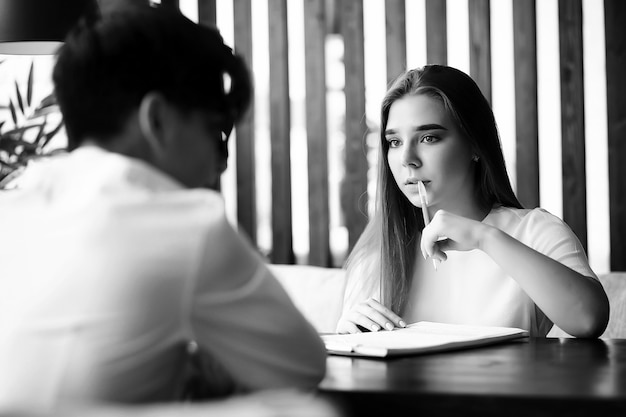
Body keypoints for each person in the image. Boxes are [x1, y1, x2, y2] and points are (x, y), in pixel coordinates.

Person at [0, 4, 326, 412]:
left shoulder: (12, 208)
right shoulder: (190, 226)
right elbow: (301, 367)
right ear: (157, 120)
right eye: (213, 132)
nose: (219, 162)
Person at [337, 65, 609, 338]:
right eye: (394, 142)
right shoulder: (376, 255)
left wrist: (485, 238)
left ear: (475, 145)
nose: (407, 158)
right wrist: (345, 340)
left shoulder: (535, 232)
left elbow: (589, 320)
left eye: (429, 137)